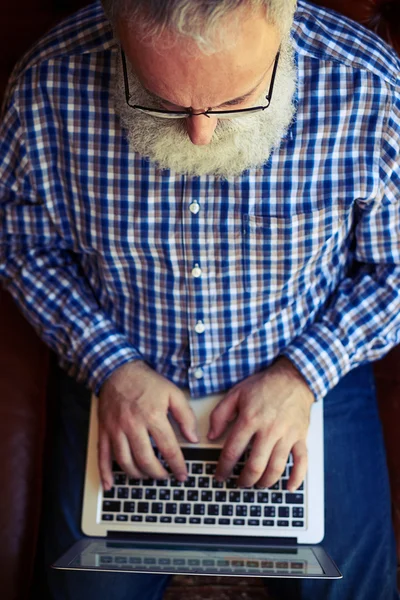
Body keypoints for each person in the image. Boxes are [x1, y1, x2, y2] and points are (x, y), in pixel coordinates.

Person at [0, 0, 399, 598]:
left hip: (308, 370)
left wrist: (301, 376)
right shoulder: (46, 86)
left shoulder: (371, 88)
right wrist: (111, 368)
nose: (200, 134)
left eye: (238, 99)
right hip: (117, 375)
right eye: (160, 100)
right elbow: (22, 244)